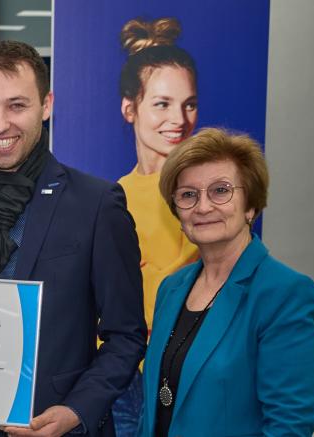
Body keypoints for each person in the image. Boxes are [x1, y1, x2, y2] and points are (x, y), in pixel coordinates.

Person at [0, 40, 146, 437]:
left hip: (56, 427)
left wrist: (75, 411)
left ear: (46, 105)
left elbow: (126, 336)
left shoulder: (96, 204)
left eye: (17, 106)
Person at [139, 128, 314, 436]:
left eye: (220, 190)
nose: (203, 207)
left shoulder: (285, 294)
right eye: (188, 195)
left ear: (250, 205)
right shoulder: (171, 288)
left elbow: (289, 426)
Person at [113, 17, 201, 434]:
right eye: (162, 104)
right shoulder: (112, 197)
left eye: (189, 104)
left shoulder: (209, 197)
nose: (179, 119)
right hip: (121, 378)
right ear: (130, 108)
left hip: (186, 372)